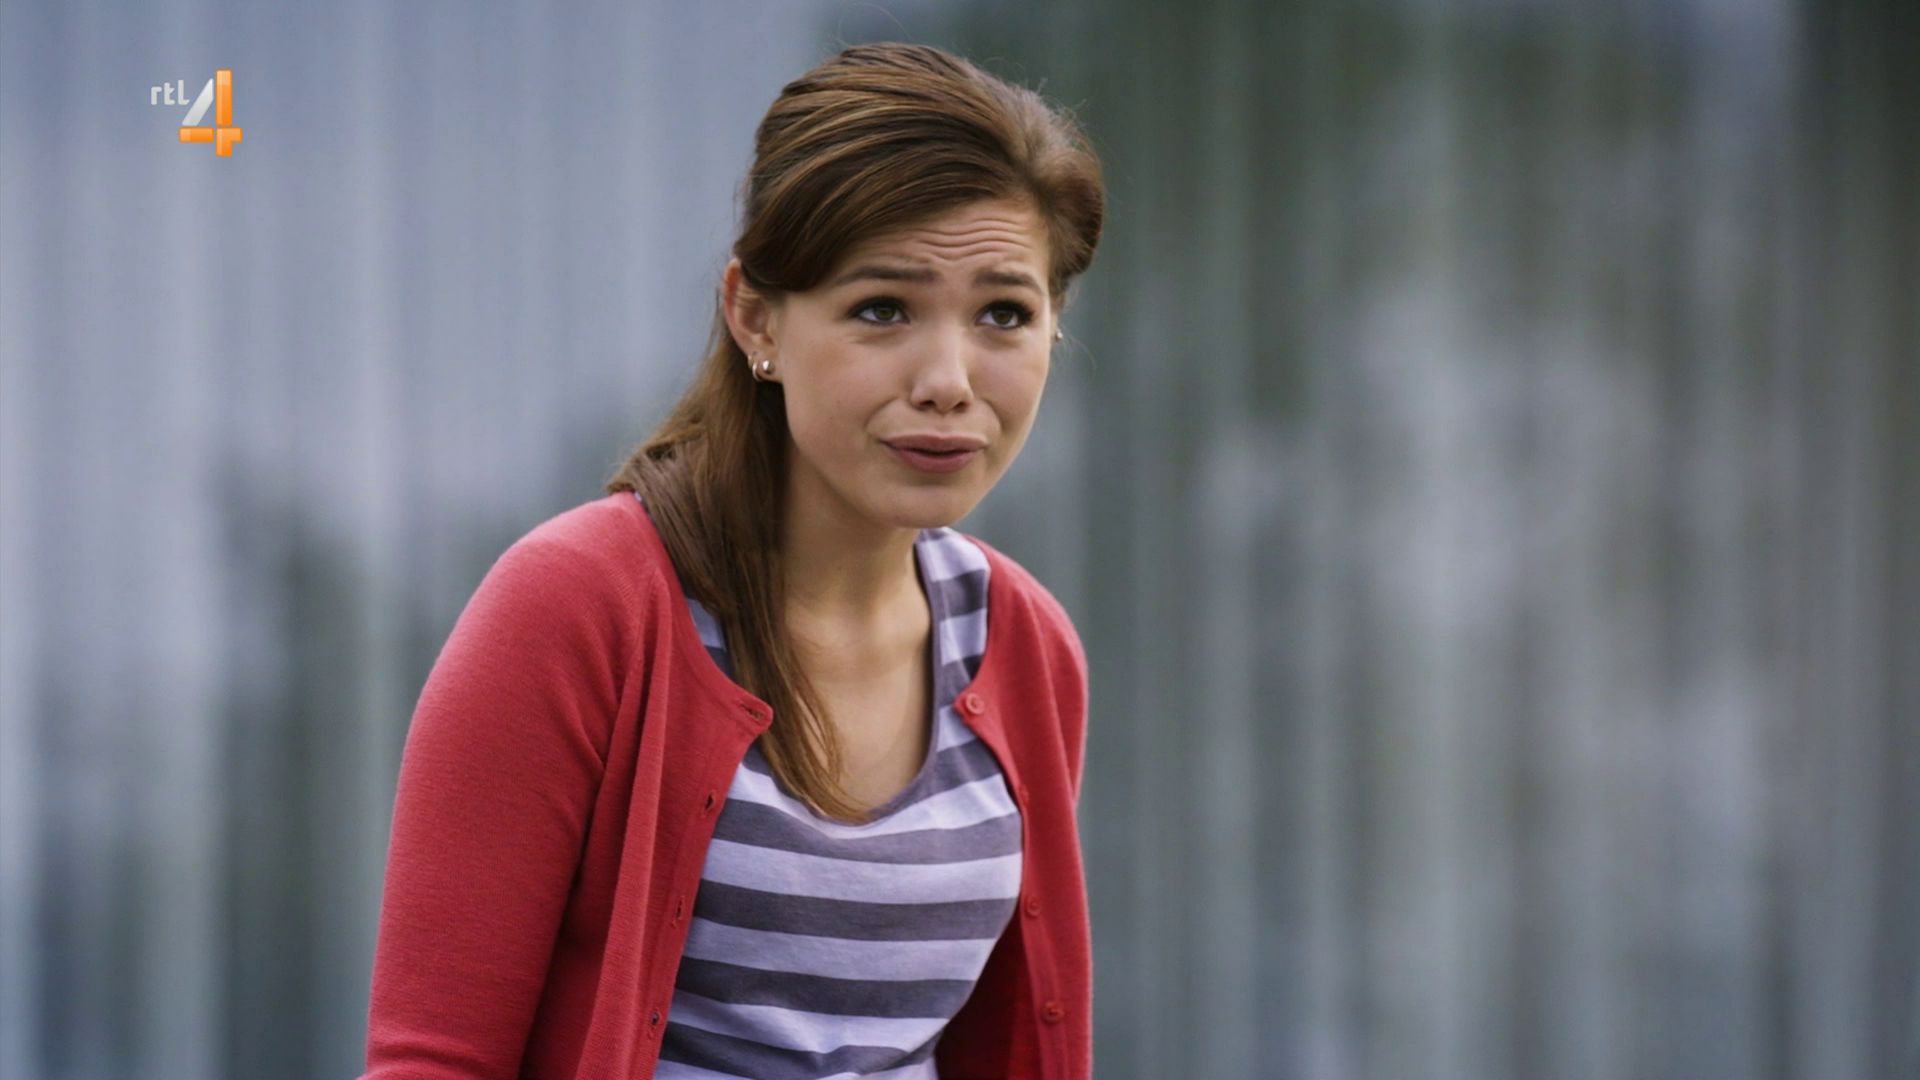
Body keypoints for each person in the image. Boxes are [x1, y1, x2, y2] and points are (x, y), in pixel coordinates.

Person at [362, 41, 1104, 1080]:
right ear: (756, 316)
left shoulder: (1023, 645)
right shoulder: (582, 605)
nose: (948, 378)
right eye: (882, 309)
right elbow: (433, 1061)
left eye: (1004, 315)